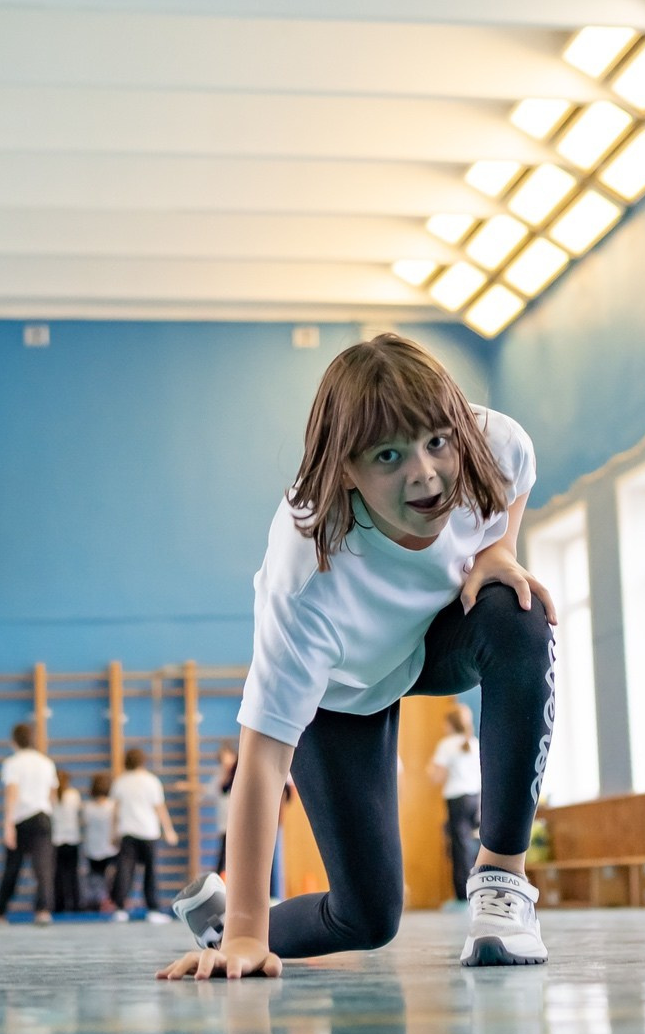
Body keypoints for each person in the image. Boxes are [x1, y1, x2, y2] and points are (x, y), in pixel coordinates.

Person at [160, 333, 555, 980]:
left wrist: (496, 550)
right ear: (346, 467)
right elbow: (260, 760)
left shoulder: (490, 443)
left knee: (518, 613)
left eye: (435, 443)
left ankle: (502, 884)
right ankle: (218, 919)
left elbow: (516, 475)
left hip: (435, 636)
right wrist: (242, 933)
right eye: (388, 456)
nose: (424, 474)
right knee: (367, 918)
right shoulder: (308, 570)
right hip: (345, 690)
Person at [0, 723, 58, 925]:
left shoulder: (13, 763)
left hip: (21, 818)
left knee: (12, 867)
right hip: (43, 817)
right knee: (43, 868)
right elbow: (53, 794)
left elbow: (12, 794)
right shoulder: (46, 762)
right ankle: (43, 911)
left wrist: (8, 824)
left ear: (14, 741)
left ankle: (0, 912)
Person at [108, 748, 179, 922]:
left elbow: (115, 811)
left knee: (125, 870)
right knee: (150, 871)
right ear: (143, 761)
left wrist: (113, 832)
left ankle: (120, 908)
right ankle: (153, 909)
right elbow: (159, 808)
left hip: (128, 832)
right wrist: (169, 830)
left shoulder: (120, 782)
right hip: (148, 832)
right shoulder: (151, 781)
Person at [427, 701, 481, 907]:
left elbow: (436, 777)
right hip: (474, 799)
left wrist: (430, 768)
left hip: (457, 800)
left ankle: (462, 896)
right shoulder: (473, 743)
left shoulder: (447, 744)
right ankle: (475, 891)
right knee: (470, 845)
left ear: (450, 724)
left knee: (459, 848)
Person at [81, 772, 118, 911]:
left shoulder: (87, 807)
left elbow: (84, 825)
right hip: (109, 848)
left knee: (97, 878)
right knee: (109, 877)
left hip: (93, 848)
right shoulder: (113, 806)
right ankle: (108, 900)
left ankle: (100, 900)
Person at [50, 769, 83, 914]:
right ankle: (75, 904)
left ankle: (59, 904)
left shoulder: (50, 796)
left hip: (56, 839)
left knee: (57, 875)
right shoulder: (73, 795)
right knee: (72, 874)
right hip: (72, 839)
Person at [208, 744, 238, 875]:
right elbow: (212, 791)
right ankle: (220, 880)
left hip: (237, 821)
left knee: (232, 854)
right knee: (224, 854)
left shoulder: (239, 772)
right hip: (225, 822)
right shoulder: (220, 775)